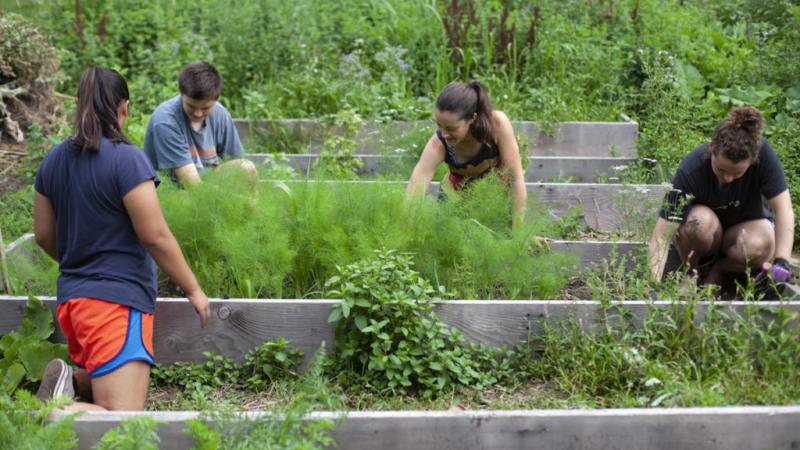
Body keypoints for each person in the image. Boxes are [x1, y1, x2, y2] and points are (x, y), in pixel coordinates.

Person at [34, 67, 210, 411]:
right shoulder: (127, 159)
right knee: (122, 419)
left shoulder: (53, 160)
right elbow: (155, 236)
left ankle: (70, 381)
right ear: (124, 109)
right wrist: (193, 289)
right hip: (114, 306)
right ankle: (43, 413)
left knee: (106, 375)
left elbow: (42, 236)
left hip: (73, 303)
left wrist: (80, 261)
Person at [648, 106, 794, 290]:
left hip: (745, 232)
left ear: (753, 161)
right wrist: (652, 286)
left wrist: (782, 262)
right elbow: (662, 235)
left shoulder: (763, 155)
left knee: (763, 240)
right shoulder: (691, 168)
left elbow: (784, 210)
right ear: (712, 150)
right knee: (697, 224)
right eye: (721, 170)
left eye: (738, 173)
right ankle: (691, 273)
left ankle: (719, 271)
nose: (728, 178)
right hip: (707, 234)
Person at [406, 80, 527, 227]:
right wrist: (405, 233)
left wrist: (518, 236)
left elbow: (515, 179)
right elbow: (415, 191)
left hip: (496, 201)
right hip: (455, 203)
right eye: (439, 125)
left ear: (472, 118)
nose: (443, 134)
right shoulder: (438, 144)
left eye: (451, 128)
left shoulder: (496, 125)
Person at [144, 62, 256, 186]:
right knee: (185, 198)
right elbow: (193, 186)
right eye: (191, 106)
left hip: (207, 186)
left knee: (246, 167)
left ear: (216, 100)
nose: (198, 113)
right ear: (181, 94)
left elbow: (237, 162)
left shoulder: (220, 114)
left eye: (205, 108)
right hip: (174, 190)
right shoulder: (166, 120)